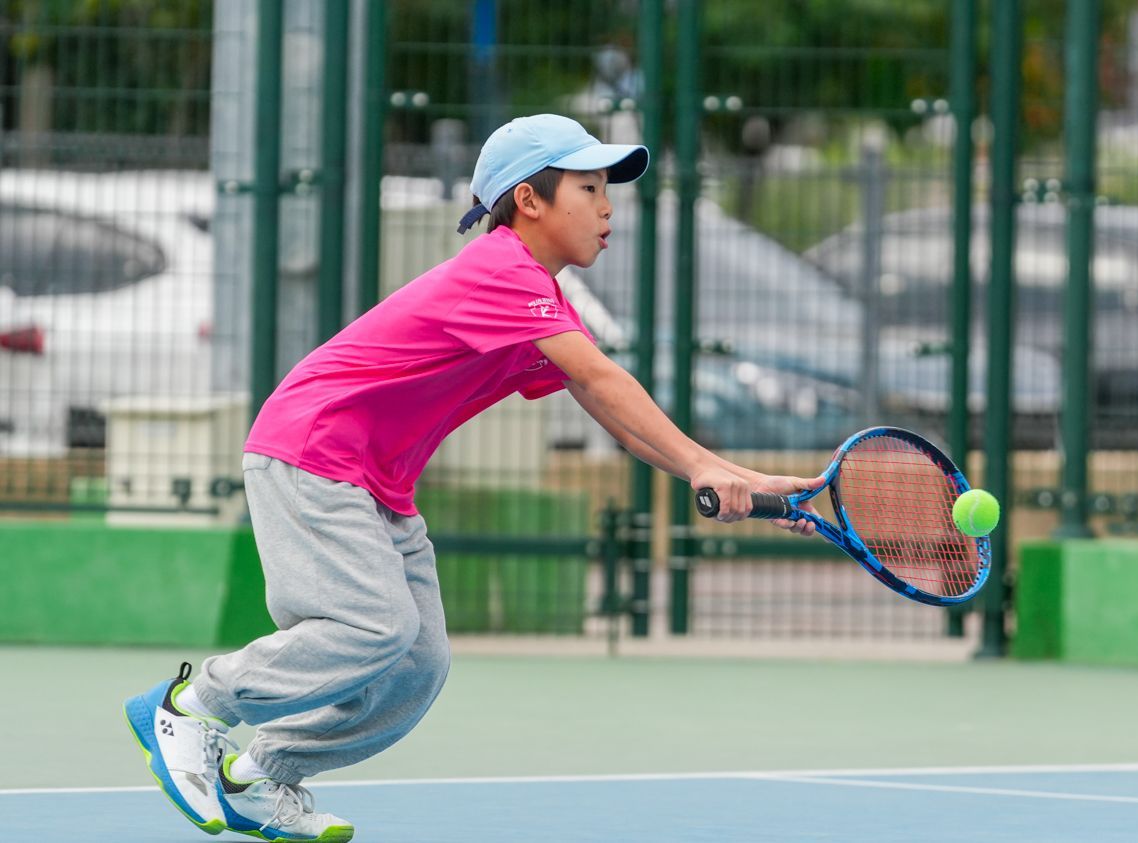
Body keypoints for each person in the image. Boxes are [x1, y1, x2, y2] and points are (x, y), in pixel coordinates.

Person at [123, 113, 822, 842]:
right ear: (529, 201)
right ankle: (191, 704)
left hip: (378, 483)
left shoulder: (539, 296)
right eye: (589, 188)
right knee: (373, 625)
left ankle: (264, 772)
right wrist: (706, 464)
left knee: (418, 665)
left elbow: (606, 407)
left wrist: (748, 480)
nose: (609, 206)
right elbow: (601, 376)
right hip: (312, 450)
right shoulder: (500, 269)